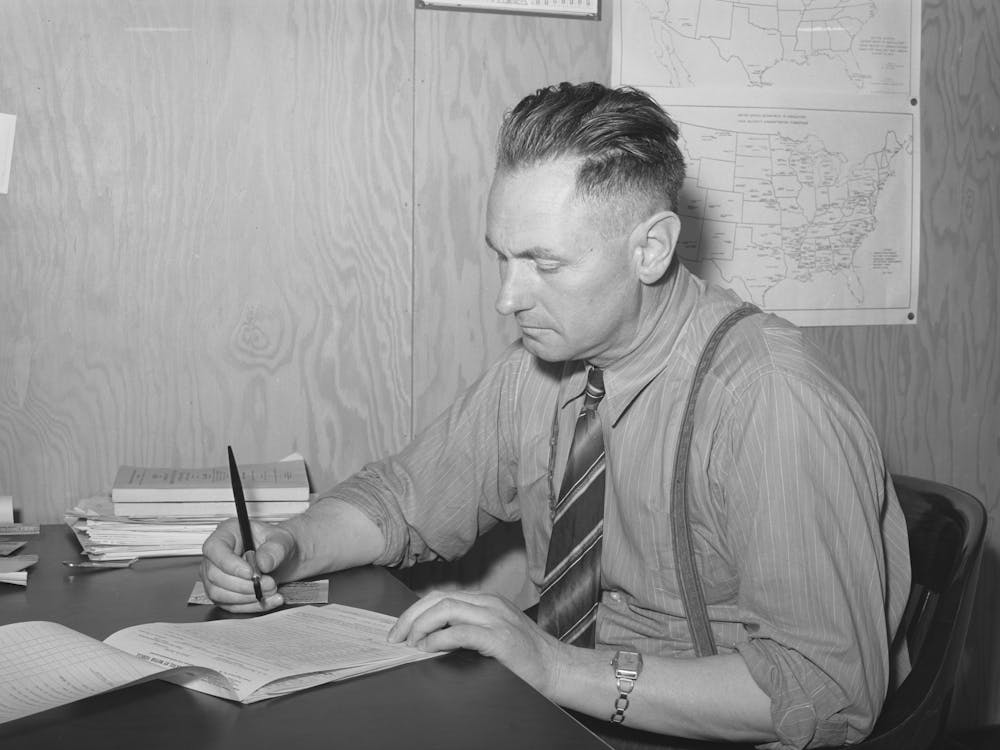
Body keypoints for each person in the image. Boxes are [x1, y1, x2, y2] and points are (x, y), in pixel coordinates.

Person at [201, 82, 910, 750]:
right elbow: (402, 498)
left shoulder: (771, 399)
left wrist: (554, 668)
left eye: (544, 263)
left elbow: (825, 690)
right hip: (569, 713)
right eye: (502, 258)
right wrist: (286, 545)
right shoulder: (543, 368)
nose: (508, 298)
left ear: (651, 249)